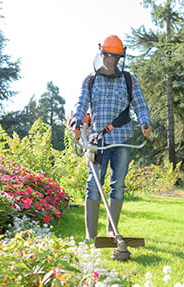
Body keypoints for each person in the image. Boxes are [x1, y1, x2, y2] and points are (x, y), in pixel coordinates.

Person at [70, 35, 152, 241]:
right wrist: (76, 121)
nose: (109, 60)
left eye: (114, 57)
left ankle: (112, 231)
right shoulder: (90, 79)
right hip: (98, 142)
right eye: (107, 55)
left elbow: (140, 105)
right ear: (101, 55)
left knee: (118, 185)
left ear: (119, 58)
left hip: (122, 139)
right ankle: (91, 235)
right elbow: (81, 104)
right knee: (93, 184)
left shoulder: (128, 79)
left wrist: (145, 122)